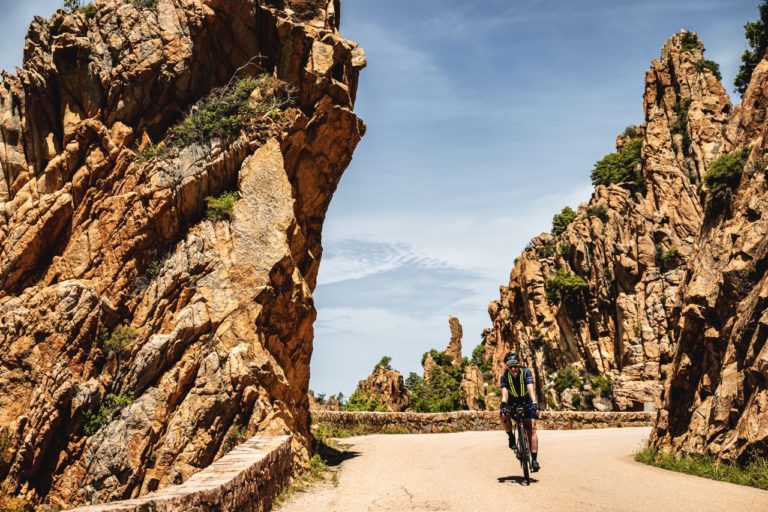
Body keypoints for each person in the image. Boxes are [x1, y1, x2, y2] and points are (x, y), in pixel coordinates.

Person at [499, 351, 541, 472]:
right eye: (510, 366)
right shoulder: (504, 377)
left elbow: (530, 389)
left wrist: (534, 402)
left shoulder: (526, 372)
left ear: (519, 365)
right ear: (507, 367)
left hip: (526, 402)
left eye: (515, 365)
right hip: (512, 402)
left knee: (531, 428)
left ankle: (534, 460)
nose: (513, 368)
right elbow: (505, 393)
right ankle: (511, 437)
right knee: (502, 415)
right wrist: (503, 404)